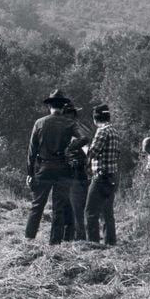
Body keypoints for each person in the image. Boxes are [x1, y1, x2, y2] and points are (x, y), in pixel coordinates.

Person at [25, 89, 89, 245]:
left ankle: (29, 239)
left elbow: (32, 151)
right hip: (63, 169)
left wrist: (30, 173)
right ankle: (54, 243)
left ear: (50, 106)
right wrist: (71, 148)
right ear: (63, 107)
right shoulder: (70, 123)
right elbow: (85, 138)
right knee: (58, 208)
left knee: (37, 205)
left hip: (43, 168)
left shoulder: (39, 123)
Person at [84, 104, 121, 245]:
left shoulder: (102, 131)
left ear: (95, 118)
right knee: (107, 214)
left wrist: (82, 145)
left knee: (90, 212)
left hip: (100, 177)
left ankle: (93, 245)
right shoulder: (114, 132)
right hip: (112, 176)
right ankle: (110, 244)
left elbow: (91, 153)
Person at [62, 102, 91, 241]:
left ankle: (79, 238)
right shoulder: (74, 129)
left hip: (77, 171)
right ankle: (72, 236)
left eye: (70, 115)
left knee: (76, 206)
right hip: (75, 171)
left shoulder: (77, 130)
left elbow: (87, 147)